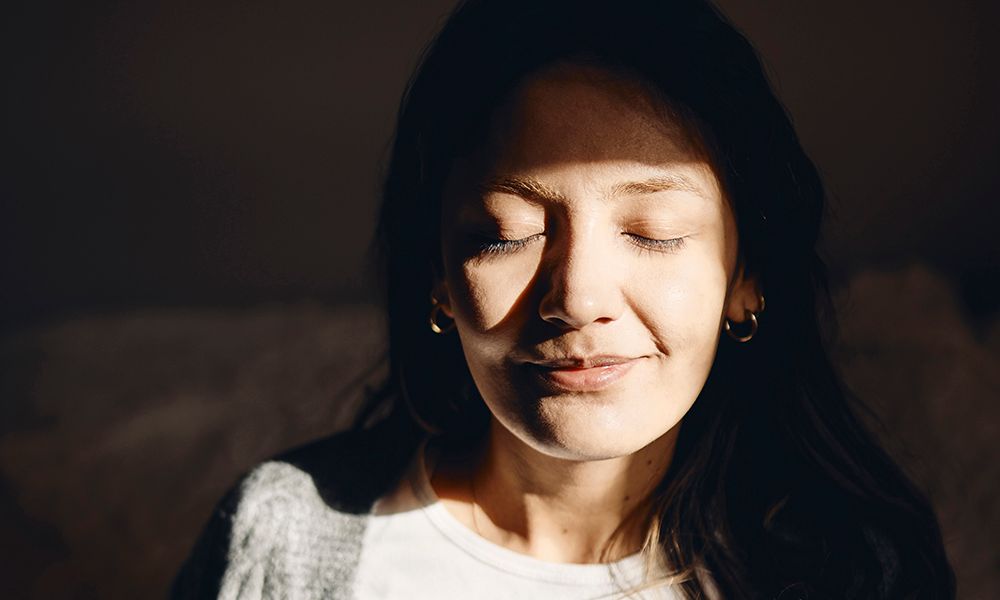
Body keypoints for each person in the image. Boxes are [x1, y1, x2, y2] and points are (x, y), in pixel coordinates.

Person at [172, 0, 956, 597]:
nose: (578, 297)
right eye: (509, 232)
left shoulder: (855, 568)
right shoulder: (284, 534)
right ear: (438, 277)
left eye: (651, 231)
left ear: (746, 279)